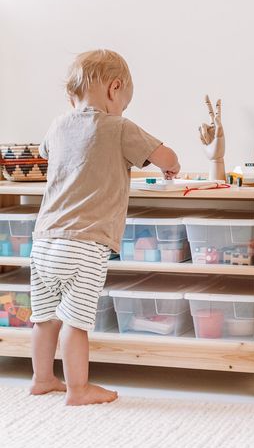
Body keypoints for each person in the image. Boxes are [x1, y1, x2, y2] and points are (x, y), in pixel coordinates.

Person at [29, 49, 180, 405]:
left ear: (72, 95)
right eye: (123, 103)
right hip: (85, 245)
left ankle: (41, 379)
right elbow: (168, 157)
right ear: (115, 89)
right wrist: (169, 167)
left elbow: (48, 152)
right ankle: (78, 389)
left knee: (44, 318)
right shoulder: (119, 127)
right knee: (75, 322)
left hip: (43, 241)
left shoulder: (58, 125)